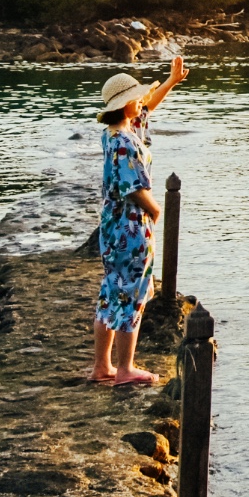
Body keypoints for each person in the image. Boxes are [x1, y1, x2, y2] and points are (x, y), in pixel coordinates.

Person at [89, 54, 189, 385]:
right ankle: (125, 369)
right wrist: (155, 210)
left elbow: (149, 106)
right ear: (125, 104)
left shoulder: (118, 129)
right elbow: (131, 186)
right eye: (136, 98)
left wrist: (171, 81)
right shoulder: (121, 141)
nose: (141, 101)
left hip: (112, 224)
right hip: (130, 225)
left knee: (111, 290)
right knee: (133, 292)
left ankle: (102, 366)